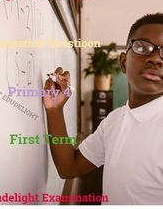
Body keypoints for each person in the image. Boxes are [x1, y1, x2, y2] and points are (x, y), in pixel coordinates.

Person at [42, 13, 163, 205]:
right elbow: (69, 167)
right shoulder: (114, 120)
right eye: (142, 47)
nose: (156, 58)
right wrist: (55, 111)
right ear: (123, 62)